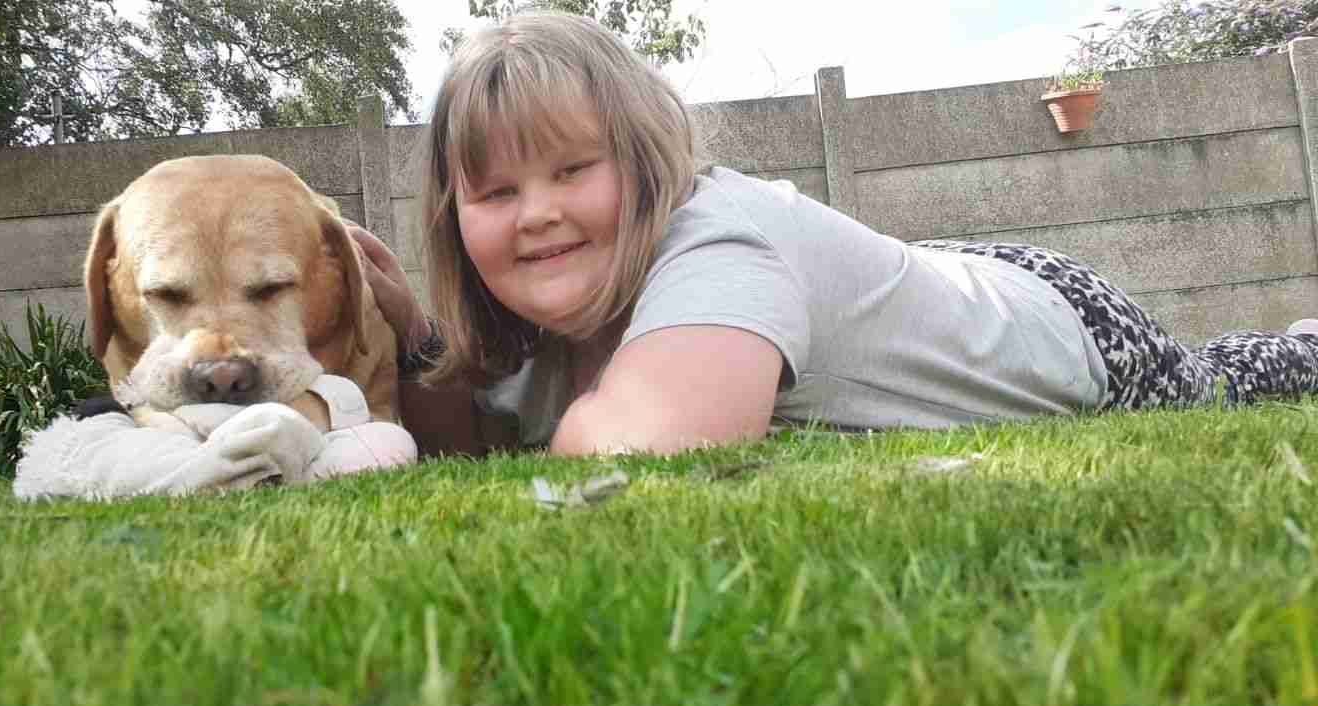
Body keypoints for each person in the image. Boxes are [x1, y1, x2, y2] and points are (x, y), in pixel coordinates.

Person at [353, 10, 1318, 458]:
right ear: (454, 219)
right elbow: (474, 438)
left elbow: (642, 445)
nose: (536, 212)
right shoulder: (557, 321)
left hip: (1063, 326)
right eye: (495, 191)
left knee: (1220, 383)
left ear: (647, 163)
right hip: (923, 280)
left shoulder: (716, 245)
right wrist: (413, 339)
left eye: (573, 170)